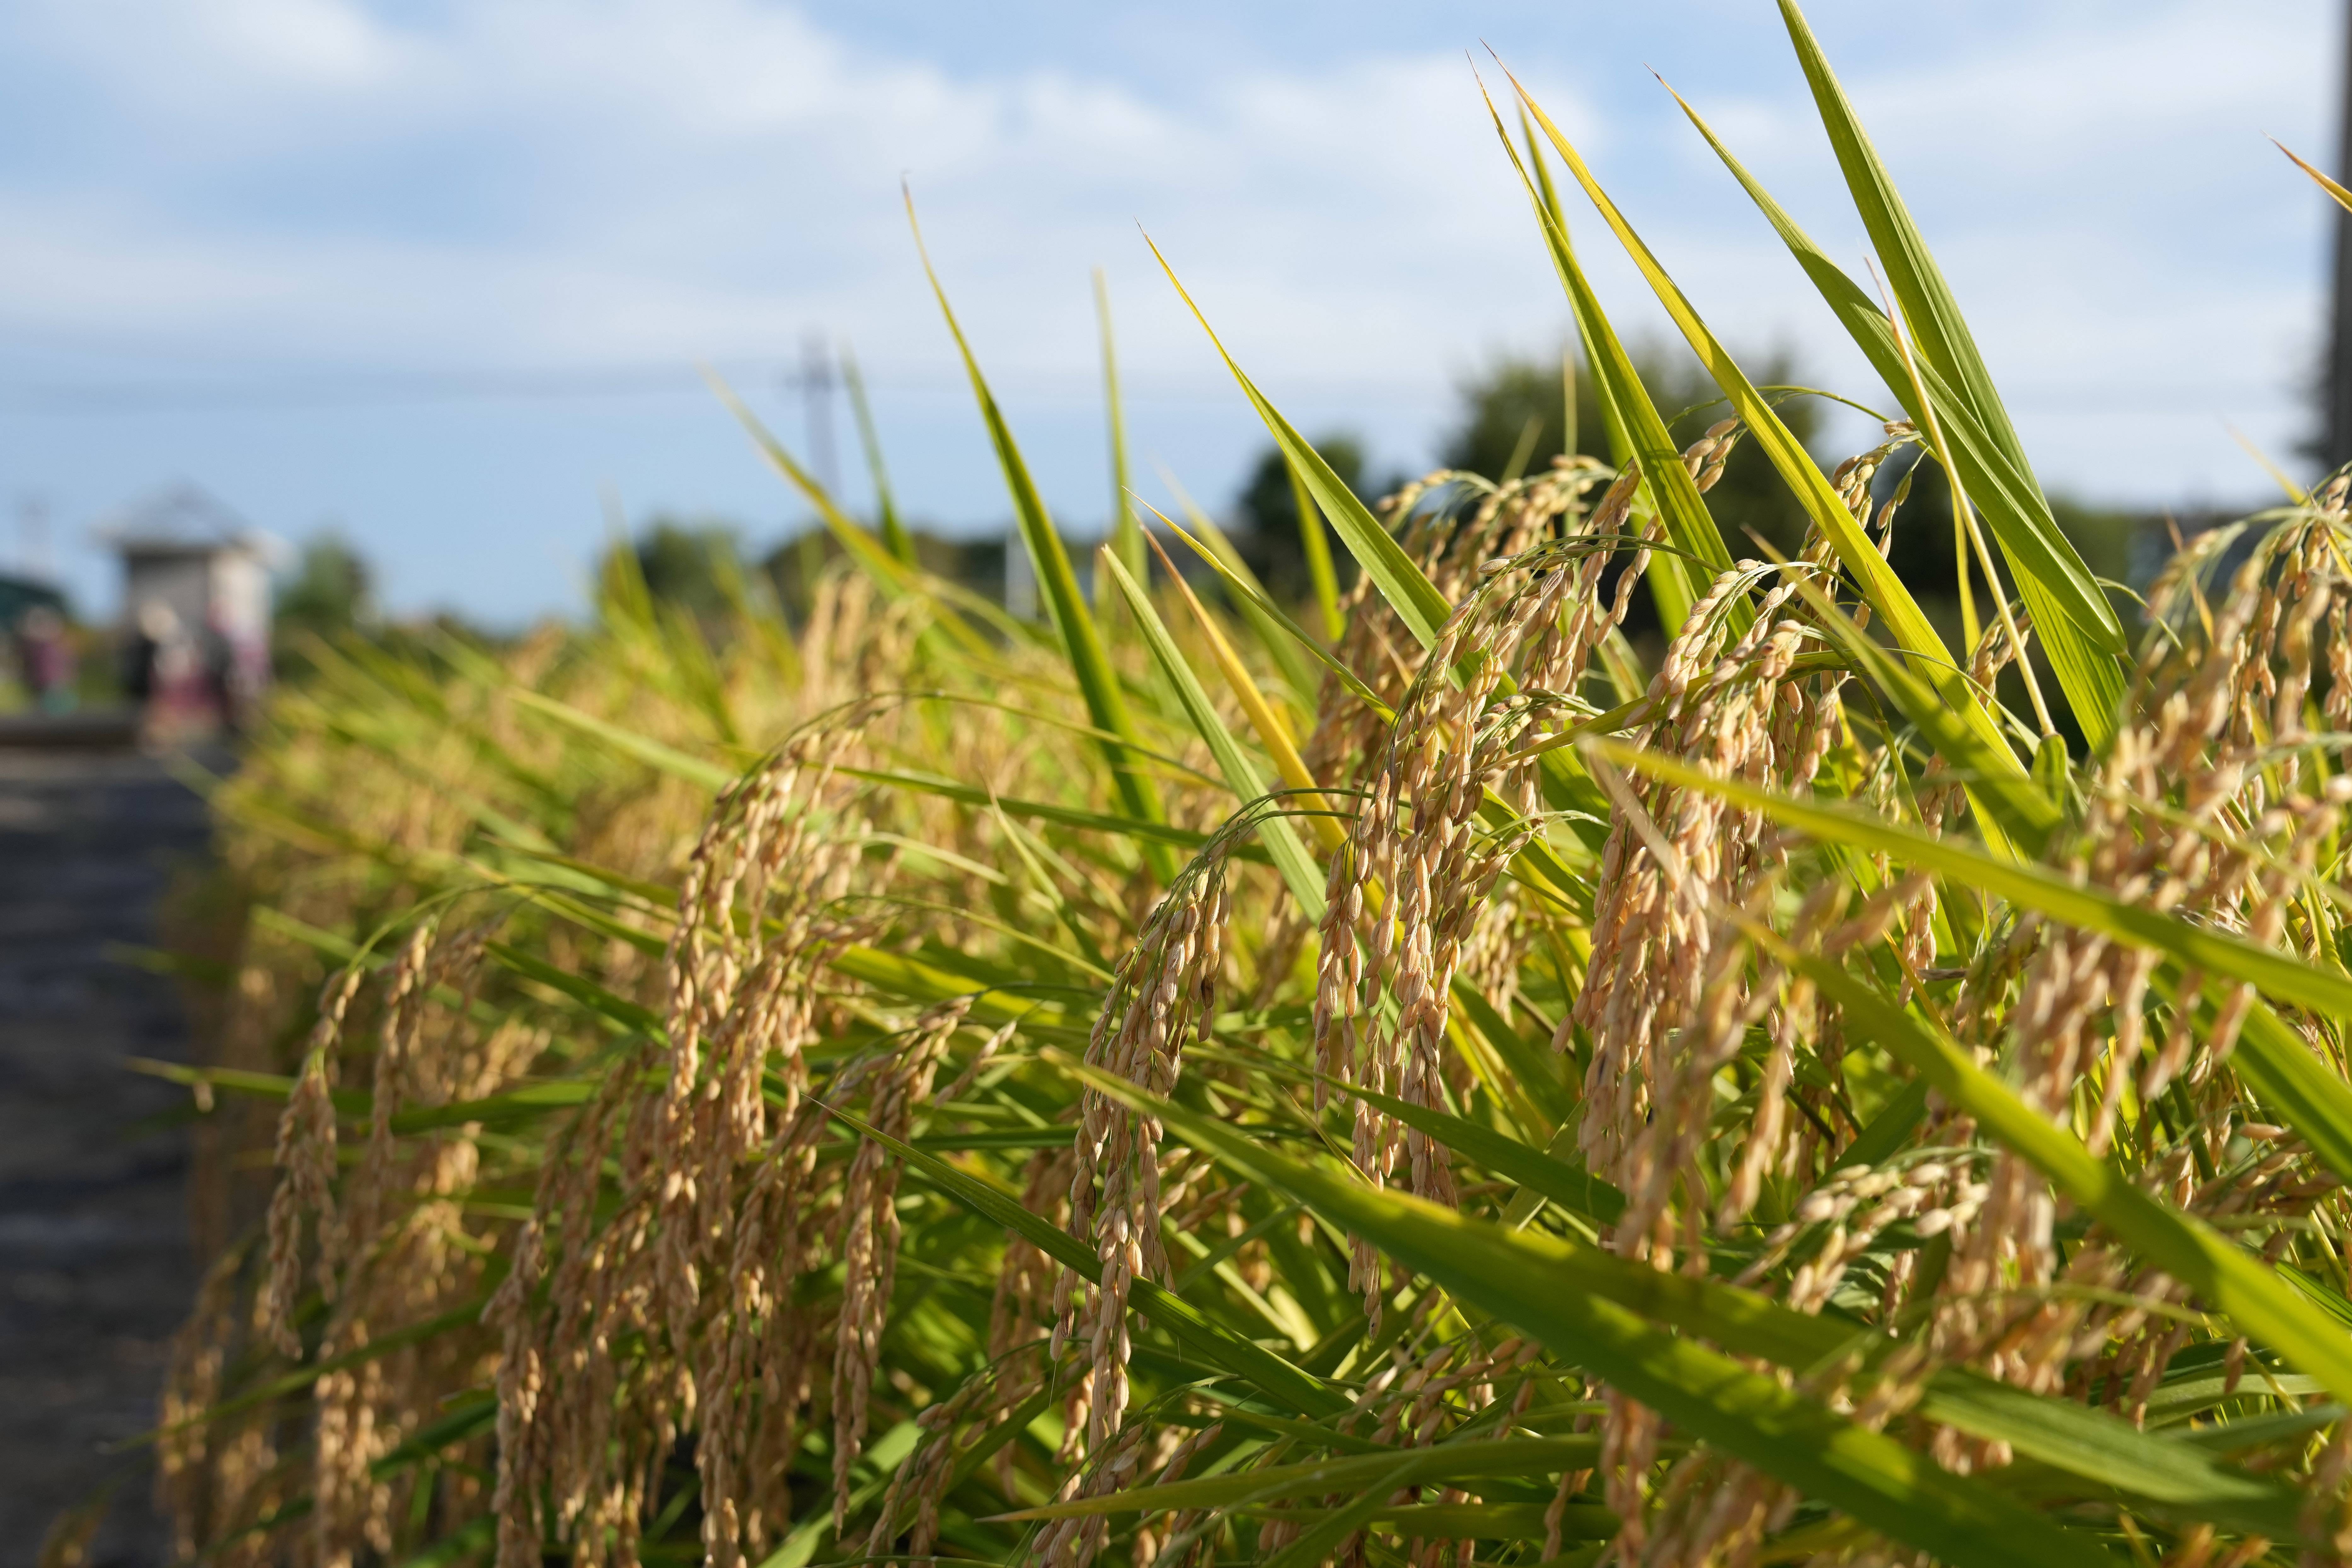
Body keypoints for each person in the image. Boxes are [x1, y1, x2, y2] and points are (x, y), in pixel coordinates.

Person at [13, 605, 77, 713]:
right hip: (42, 686)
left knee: (56, 716)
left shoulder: (56, 647)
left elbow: (69, 665)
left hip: (55, 688)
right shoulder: (35, 648)